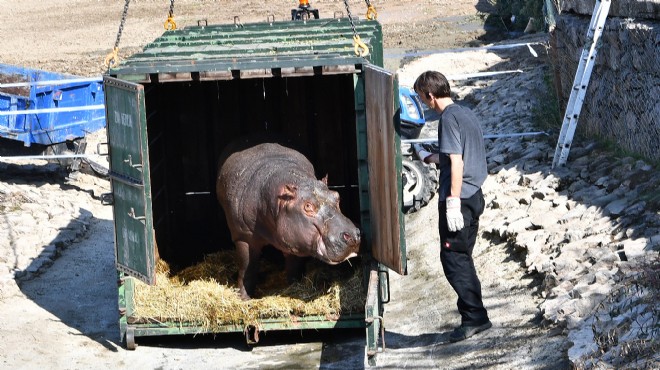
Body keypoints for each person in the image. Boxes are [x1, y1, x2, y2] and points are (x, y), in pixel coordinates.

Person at [412, 70, 492, 342]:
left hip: (460, 199)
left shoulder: (447, 118)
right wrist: (427, 156)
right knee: (463, 257)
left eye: (423, 99)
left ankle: (475, 318)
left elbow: (457, 162)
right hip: (475, 195)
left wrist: (452, 203)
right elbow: (453, 155)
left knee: (454, 259)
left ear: (430, 95)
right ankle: (473, 314)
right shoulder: (465, 113)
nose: (424, 104)